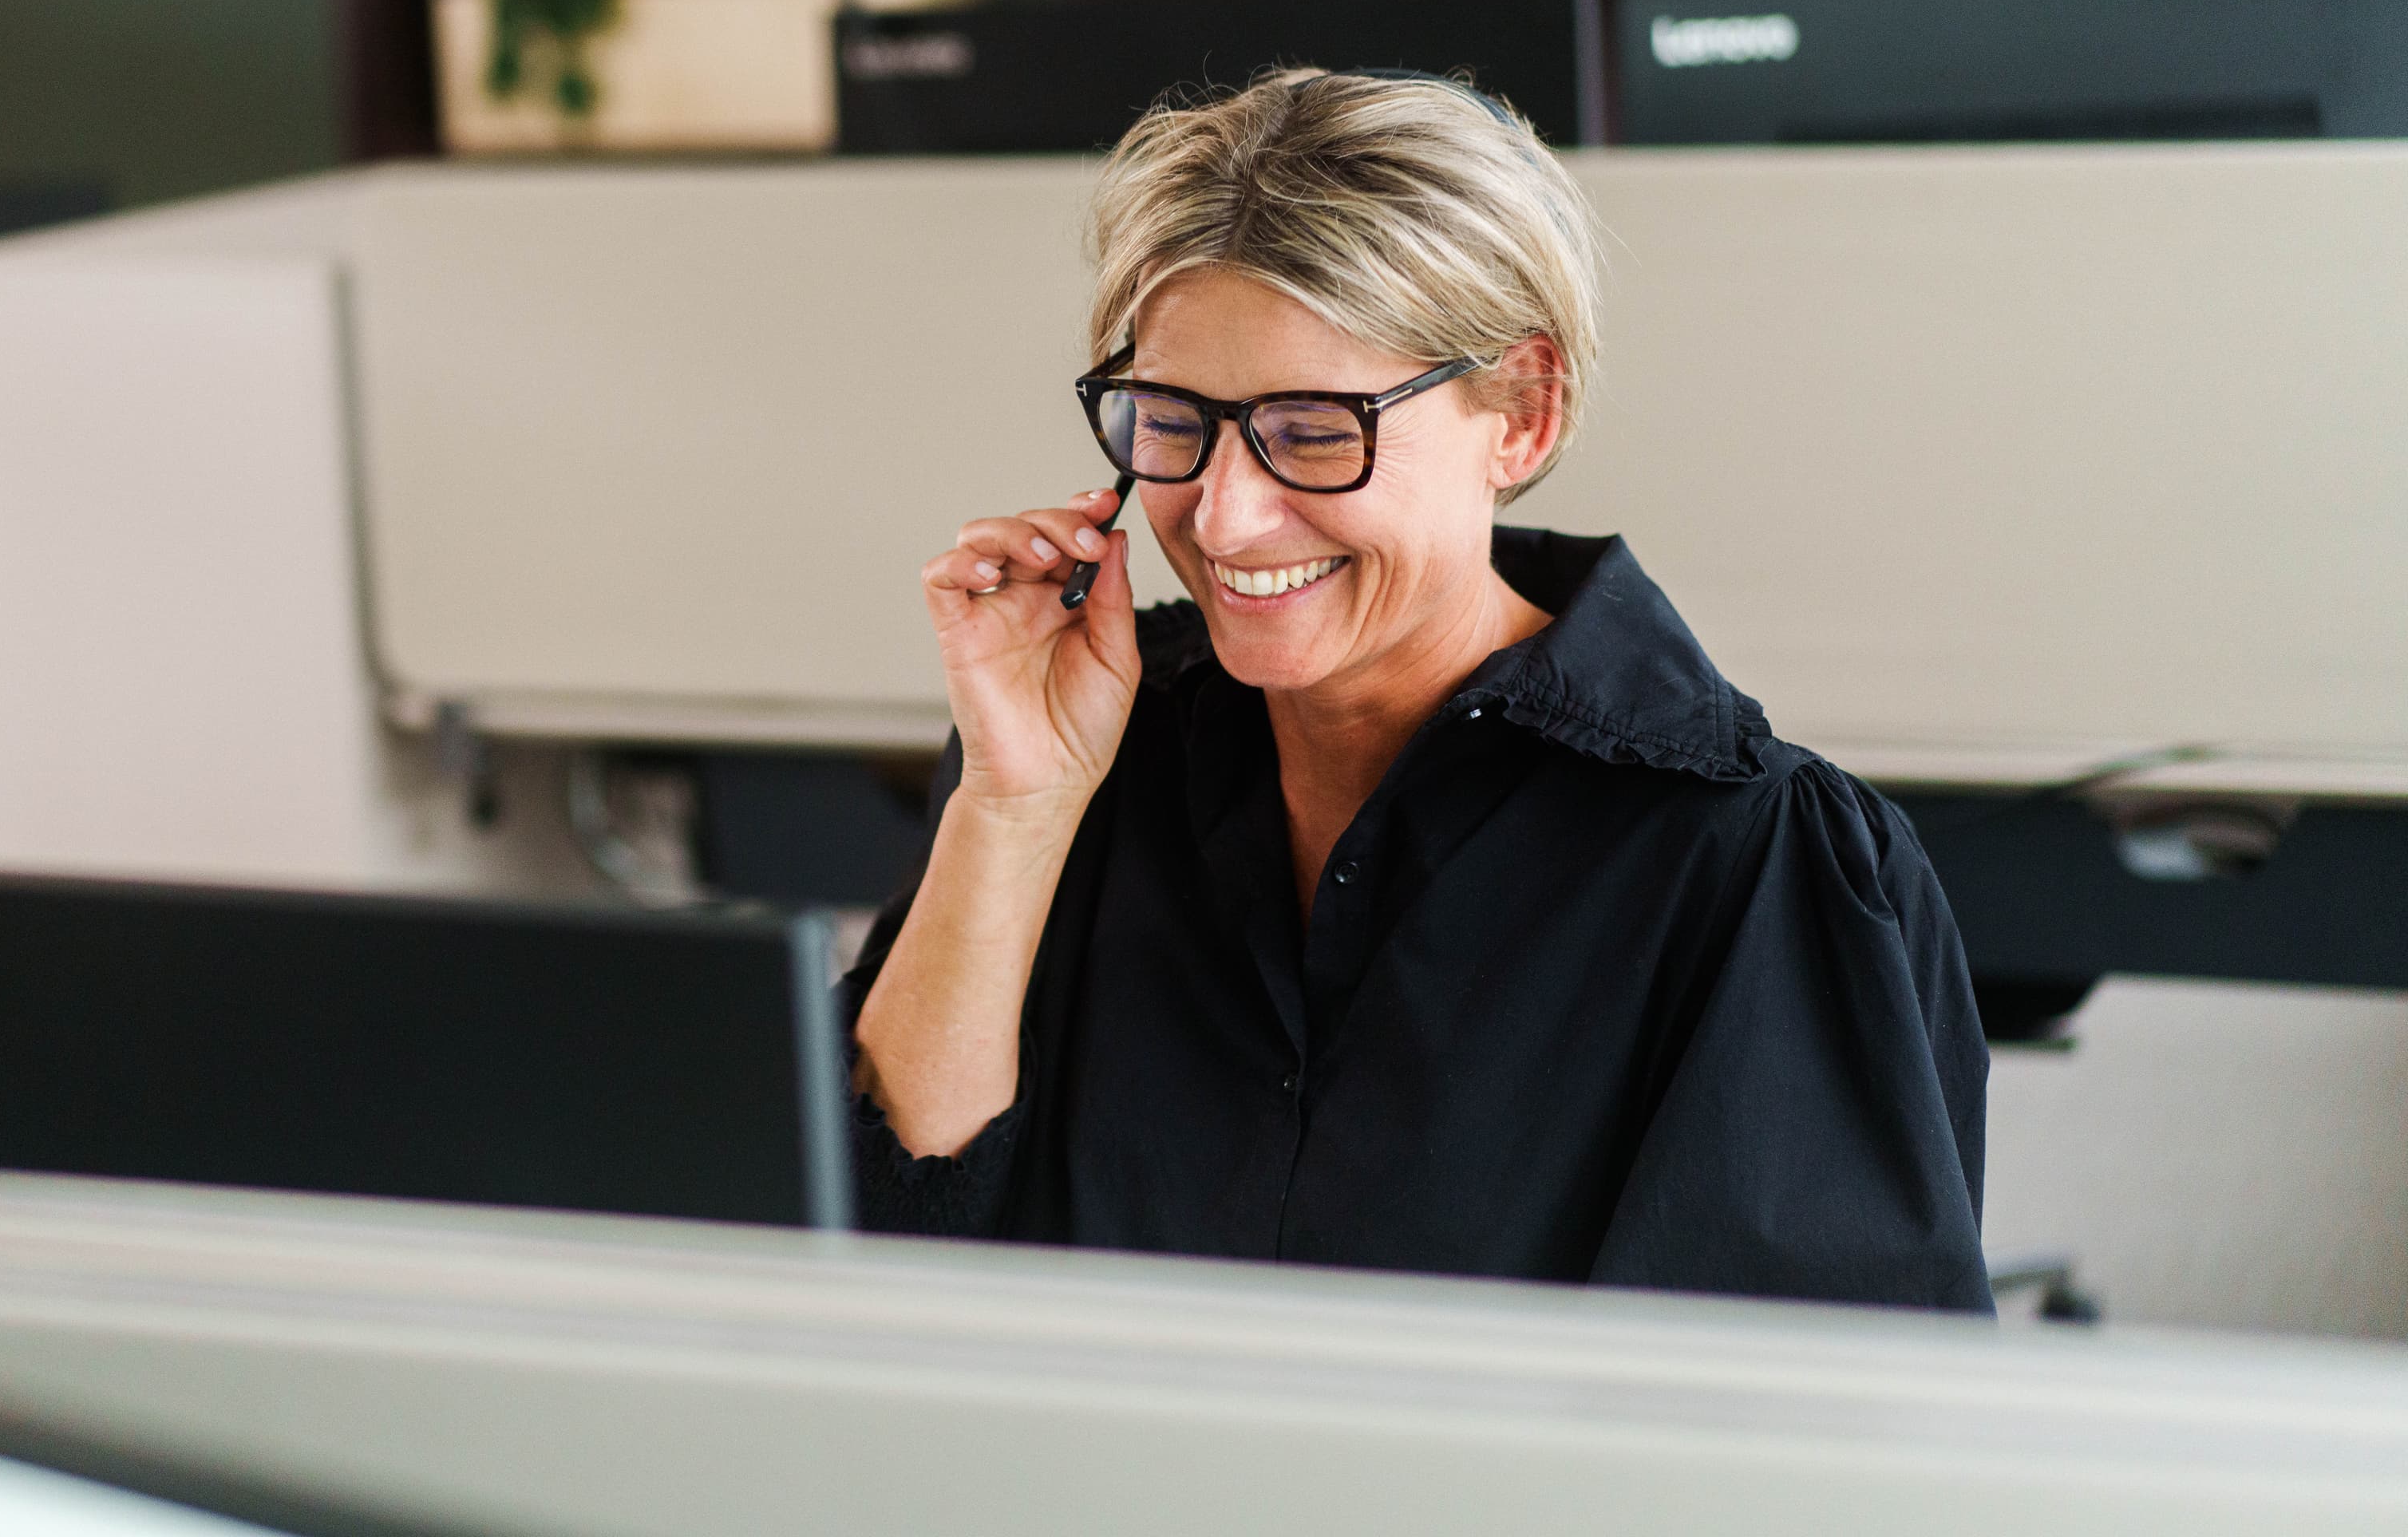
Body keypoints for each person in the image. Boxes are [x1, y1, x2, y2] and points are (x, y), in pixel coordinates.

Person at [844, 68, 1991, 1310]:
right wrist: (1014, 809)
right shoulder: (1082, 757)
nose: (1223, 517)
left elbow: (1788, 1419)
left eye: (1314, 431)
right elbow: (864, 1273)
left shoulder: (1756, 868)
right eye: (1171, 419)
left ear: (1523, 414)